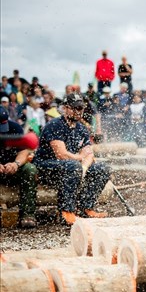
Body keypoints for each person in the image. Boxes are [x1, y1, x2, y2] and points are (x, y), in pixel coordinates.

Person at [33, 93, 110, 225]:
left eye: (81, 108)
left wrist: (84, 168)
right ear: (66, 108)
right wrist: (80, 159)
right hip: (46, 166)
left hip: (70, 167)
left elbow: (89, 154)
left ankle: (86, 207)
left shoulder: (82, 128)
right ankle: (66, 211)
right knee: (73, 166)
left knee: (102, 168)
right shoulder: (55, 125)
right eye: (76, 108)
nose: (79, 111)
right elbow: (61, 154)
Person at [0, 106, 39, 228]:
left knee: (30, 169)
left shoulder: (15, 128)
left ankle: (28, 214)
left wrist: (16, 164)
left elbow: (24, 150)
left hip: (11, 167)